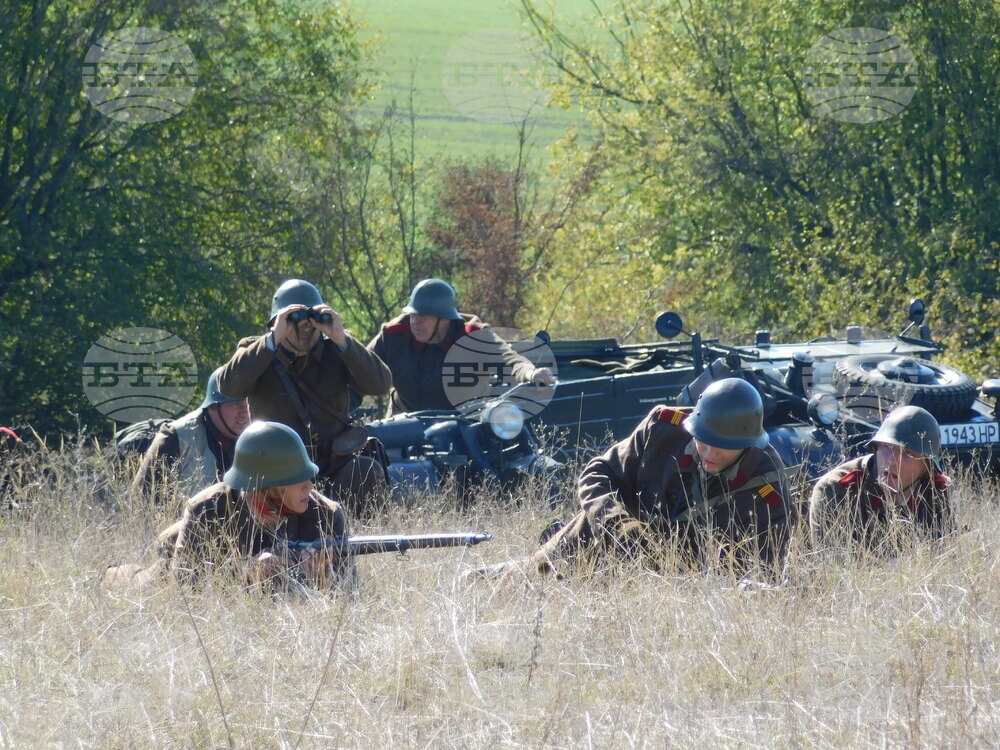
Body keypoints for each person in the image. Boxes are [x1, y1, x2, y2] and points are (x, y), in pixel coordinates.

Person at [526, 378, 794, 581]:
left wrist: (669, 569)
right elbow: (598, 473)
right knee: (517, 580)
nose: (709, 453)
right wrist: (617, 525)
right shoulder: (662, 430)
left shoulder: (768, 491)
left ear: (747, 444)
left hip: (677, 584)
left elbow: (762, 574)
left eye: (722, 446)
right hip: (595, 548)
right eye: (703, 441)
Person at [106, 421, 352, 590]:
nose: (309, 485)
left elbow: (351, 592)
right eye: (296, 477)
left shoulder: (327, 514)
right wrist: (248, 573)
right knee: (142, 583)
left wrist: (324, 578)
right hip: (170, 567)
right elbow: (186, 588)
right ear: (263, 483)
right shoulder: (207, 509)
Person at [218, 279, 392, 516]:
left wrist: (343, 340)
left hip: (333, 463)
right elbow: (228, 388)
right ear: (276, 322)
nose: (304, 329)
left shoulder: (336, 348)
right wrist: (271, 341)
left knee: (366, 470)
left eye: (310, 322)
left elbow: (381, 384)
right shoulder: (258, 351)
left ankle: (354, 539)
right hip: (277, 468)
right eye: (293, 321)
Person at [368, 278, 555, 415]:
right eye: (413, 315)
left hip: (463, 430)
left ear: (444, 319)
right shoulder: (394, 336)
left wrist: (531, 374)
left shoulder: (473, 336)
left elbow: (510, 360)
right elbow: (360, 367)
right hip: (404, 426)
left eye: (423, 315)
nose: (415, 321)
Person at [808, 405, 952, 554]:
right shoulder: (837, 488)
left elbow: (948, 556)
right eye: (888, 447)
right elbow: (833, 563)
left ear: (927, 465)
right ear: (875, 447)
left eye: (908, 453)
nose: (892, 460)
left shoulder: (940, 488)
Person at [129, 368, 250, 504]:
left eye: (248, 404)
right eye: (236, 404)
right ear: (213, 406)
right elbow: (142, 499)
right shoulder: (175, 437)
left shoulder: (255, 440)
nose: (245, 412)